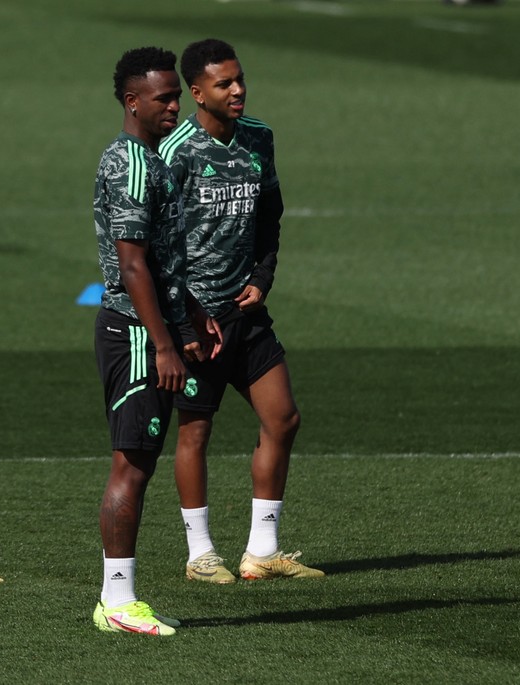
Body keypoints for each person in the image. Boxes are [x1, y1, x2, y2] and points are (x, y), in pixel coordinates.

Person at [159, 38, 323, 584]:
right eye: (224, 83)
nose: (238, 90)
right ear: (196, 92)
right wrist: (182, 319)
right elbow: (157, 246)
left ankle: (261, 550)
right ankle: (201, 555)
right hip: (196, 317)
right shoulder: (175, 151)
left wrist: (262, 278)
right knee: (196, 432)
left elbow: (271, 216)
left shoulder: (258, 138)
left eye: (241, 79)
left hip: (246, 308)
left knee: (283, 418)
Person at [91, 46, 222, 636]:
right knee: (132, 464)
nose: (175, 105)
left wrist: (192, 312)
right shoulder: (133, 166)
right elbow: (135, 265)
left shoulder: (156, 161)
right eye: (165, 97)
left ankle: (119, 600)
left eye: (176, 94)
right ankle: (117, 602)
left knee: (139, 460)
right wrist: (165, 343)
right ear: (132, 101)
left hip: (160, 325)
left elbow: (167, 259)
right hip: (139, 333)